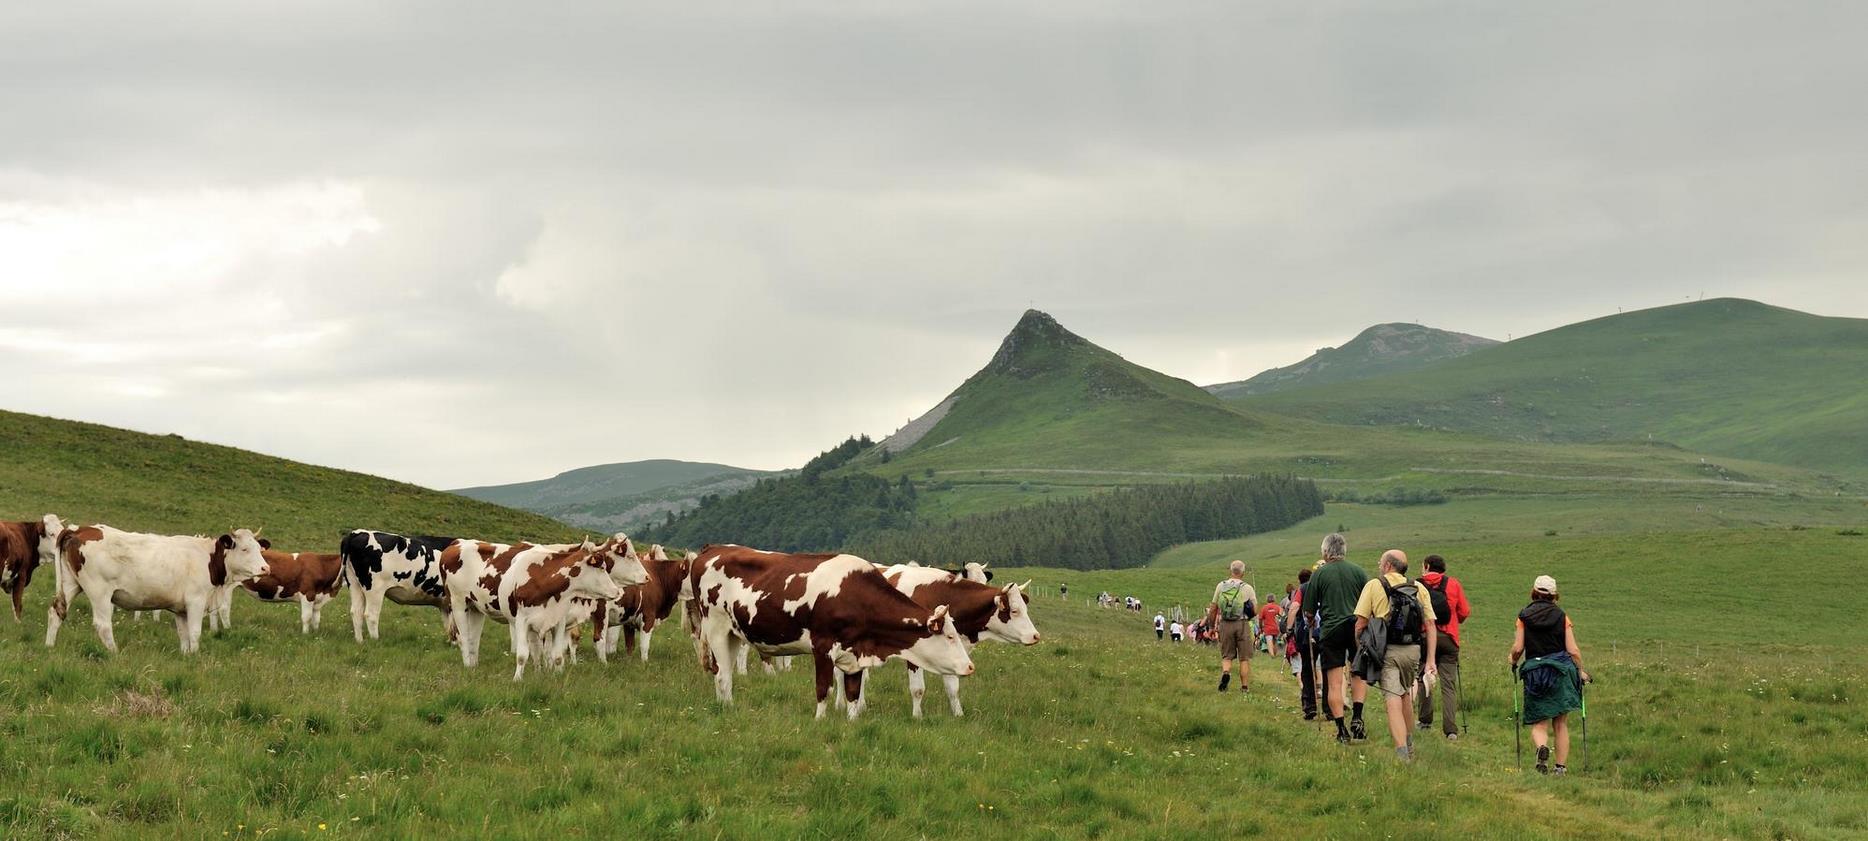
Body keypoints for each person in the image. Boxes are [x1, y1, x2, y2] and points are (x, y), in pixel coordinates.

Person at [1352, 550, 1437, 761]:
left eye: (1381, 562)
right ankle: (1409, 745)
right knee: (1405, 694)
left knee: (1392, 699)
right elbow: (1430, 625)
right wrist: (1430, 660)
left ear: (1388, 565)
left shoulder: (1374, 585)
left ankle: (1402, 754)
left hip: (1386, 650)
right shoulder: (1418, 587)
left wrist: (1362, 647)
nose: (1379, 565)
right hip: (1413, 649)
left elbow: (1360, 623)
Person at [1511, 575, 1590, 775]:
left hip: (1535, 672)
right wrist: (1580, 671)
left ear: (1534, 591)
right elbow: (1573, 650)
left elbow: (1518, 648)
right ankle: (1560, 768)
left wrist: (1512, 660)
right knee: (1560, 723)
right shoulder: (1562, 617)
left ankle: (1541, 749)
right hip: (1561, 671)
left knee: (1539, 721)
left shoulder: (1523, 616)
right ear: (1554, 594)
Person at [1309, 533, 1370, 743]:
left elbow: (1309, 610)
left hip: (1331, 631)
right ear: (1344, 551)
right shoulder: (1359, 572)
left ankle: (1341, 729)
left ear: (1326, 552)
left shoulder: (1319, 574)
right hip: (1357, 629)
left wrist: (1310, 622)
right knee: (1358, 674)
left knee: (1334, 683)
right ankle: (1358, 718)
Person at [1417, 554, 1472, 740]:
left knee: (1424, 677)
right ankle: (1450, 730)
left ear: (1426, 566)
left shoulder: (1417, 585)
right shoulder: (1453, 584)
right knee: (1448, 684)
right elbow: (1464, 612)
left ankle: (1425, 720)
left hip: (1424, 636)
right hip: (1449, 638)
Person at [1210, 560, 1258, 692]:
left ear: (1230, 570)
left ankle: (1226, 672)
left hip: (1225, 623)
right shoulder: (1247, 588)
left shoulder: (1221, 586)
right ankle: (1244, 687)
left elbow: (1213, 608)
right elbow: (1255, 610)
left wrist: (1211, 627)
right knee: (1244, 657)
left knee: (1227, 655)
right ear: (1243, 572)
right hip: (1242, 623)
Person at [1291, 568, 1321, 719]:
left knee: (1307, 670)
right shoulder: (1325, 586)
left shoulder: (1302, 589)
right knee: (1329, 669)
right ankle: (1330, 708)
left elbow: (1294, 607)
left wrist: (1289, 629)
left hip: (1307, 633)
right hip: (1327, 632)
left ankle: (1309, 706)